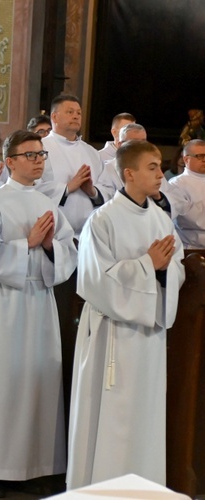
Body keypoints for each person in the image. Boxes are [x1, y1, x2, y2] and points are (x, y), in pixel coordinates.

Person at [0, 131, 77, 498]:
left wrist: (48, 247)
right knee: (2, 382)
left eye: (41, 154)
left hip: (40, 299)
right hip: (5, 302)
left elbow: (68, 251)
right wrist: (25, 245)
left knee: (37, 382)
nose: (39, 160)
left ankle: (38, 464)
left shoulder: (48, 204)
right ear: (10, 162)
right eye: (30, 155)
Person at [67, 140, 184, 489]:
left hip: (148, 336)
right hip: (111, 334)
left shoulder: (161, 219)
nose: (160, 173)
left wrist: (162, 272)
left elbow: (175, 270)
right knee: (109, 418)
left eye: (160, 165)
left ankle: (140, 490)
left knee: (143, 419)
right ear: (129, 173)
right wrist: (148, 265)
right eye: (152, 167)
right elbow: (94, 282)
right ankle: (100, 490)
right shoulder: (101, 220)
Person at [37, 94, 105, 236]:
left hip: (88, 234)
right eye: (70, 112)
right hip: (54, 234)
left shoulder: (92, 152)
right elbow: (32, 187)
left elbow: (106, 188)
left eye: (79, 113)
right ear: (54, 117)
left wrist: (92, 192)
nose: (76, 116)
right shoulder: (39, 148)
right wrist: (67, 188)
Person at [96, 123, 186, 218]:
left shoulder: (154, 169)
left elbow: (177, 201)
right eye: (134, 143)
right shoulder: (107, 169)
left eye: (143, 143)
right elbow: (102, 199)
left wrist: (159, 198)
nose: (141, 148)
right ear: (120, 145)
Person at [171, 139, 205, 248]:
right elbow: (189, 218)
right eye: (200, 156)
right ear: (186, 159)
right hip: (192, 248)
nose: (204, 159)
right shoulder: (176, 184)